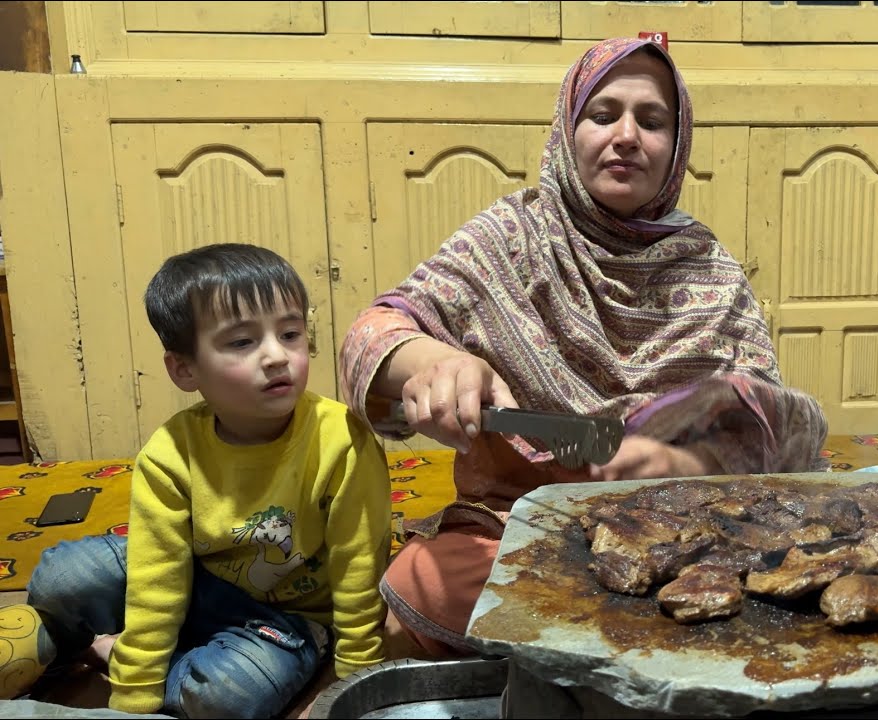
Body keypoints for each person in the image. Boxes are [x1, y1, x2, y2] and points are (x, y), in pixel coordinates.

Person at [339, 37, 829, 657]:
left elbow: (766, 432)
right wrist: (437, 363)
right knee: (428, 581)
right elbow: (373, 331)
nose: (627, 135)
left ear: (676, 148)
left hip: (685, 534)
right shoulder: (510, 237)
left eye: (652, 122)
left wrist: (683, 464)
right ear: (567, 131)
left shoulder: (710, 266)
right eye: (603, 115)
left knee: (791, 581)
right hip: (524, 521)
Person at [4, 244, 393, 717]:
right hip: (193, 583)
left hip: (288, 621)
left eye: (290, 333)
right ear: (185, 370)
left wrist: (355, 673)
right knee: (65, 576)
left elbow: (359, 566)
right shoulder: (170, 452)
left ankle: (107, 651)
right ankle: (62, 643)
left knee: (222, 697)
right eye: (242, 342)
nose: (277, 356)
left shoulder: (344, 441)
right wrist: (134, 700)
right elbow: (158, 577)